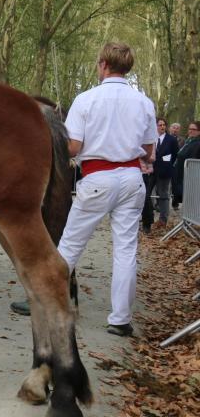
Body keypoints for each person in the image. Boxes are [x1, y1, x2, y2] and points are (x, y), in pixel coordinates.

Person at [56, 42, 157, 337]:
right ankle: (120, 319)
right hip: (131, 178)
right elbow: (149, 152)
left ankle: (50, 302)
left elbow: (74, 147)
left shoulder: (86, 99)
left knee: (70, 245)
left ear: (102, 64)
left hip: (97, 178)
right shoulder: (144, 102)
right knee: (125, 250)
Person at [150, 114, 180, 227]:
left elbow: (175, 155)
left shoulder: (171, 139)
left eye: (164, 125)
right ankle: (147, 218)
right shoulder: (151, 138)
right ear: (155, 127)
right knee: (146, 193)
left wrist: (167, 164)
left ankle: (163, 219)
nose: (162, 127)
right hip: (151, 170)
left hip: (164, 171)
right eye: (159, 125)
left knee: (163, 194)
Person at [173, 121, 200, 206]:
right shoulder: (189, 141)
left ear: (199, 131)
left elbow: (193, 158)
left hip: (190, 177)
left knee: (190, 199)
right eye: (189, 129)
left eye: (193, 129)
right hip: (180, 173)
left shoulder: (197, 143)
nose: (191, 131)